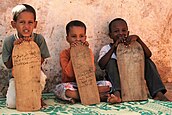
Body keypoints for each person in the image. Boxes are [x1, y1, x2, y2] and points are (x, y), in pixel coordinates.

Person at [98, 18, 170, 102]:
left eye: (124, 30)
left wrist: (138, 39)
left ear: (128, 33)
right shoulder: (107, 48)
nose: (121, 33)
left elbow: (148, 54)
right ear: (110, 35)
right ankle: (116, 95)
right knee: (111, 62)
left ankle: (158, 93)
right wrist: (114, 47)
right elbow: (102, 65)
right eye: (116, 31)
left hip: (133, 79)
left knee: (147, 61)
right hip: (117, 83)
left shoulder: (134, 46)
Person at [53, 20, 121, 104]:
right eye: (74, 36)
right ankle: (95, 96)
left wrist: (85, 54)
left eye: (81, 36)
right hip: (72, 85)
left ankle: (78, 97)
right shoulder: (64, 54)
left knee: (108, 85)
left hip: (87, 84)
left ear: (85, 38)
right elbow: (69, 74)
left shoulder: (88, 52)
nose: (78, 39)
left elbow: (91, 72)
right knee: (61, 89)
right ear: (67, 39)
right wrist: (75, 54)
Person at [2, 4, 50, 108]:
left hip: (35, 75)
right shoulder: (9, 41)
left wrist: (31, 48)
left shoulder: (39, 39)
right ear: (14, 24)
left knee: (41, 78)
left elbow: (41, 60)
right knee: (11, 104)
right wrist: (17, 50)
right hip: (17, 78)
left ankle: (37, 96)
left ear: (35, 24)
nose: (26, 26)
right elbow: (8, 65)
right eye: (22, 22)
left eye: (30, 22)